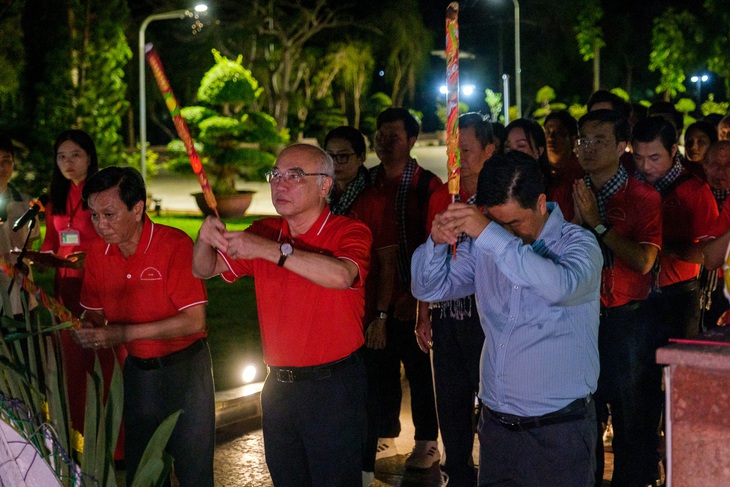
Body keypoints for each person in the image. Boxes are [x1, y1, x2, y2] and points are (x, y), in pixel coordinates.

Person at [412, 150, 602, 487]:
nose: (507, 233)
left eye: (514, 223)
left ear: (541, 203)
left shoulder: (579, 244)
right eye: (498, 224)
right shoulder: (488, 247)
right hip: (497, 429)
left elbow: (558, 288)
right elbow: (429, 286)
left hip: (559, 431)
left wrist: (489, 234)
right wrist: (437, 242)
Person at [193, 144, 371, 487]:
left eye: (295, 176)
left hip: (334, 386)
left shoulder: (348, 231)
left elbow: (341, 276)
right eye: (275, 175)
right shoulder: (265, 230)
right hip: (278, 386)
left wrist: (267, 250)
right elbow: (204, 269)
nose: (280, 184)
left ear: (324, 185)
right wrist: (204, 239)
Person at [73, 167, 213, 486]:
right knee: (144, 472)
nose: (100, 225)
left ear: (138, 209)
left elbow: (194, 320)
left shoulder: (173, 244)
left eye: (109, 214)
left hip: (186, 371)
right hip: (136, 372)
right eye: (94, 215)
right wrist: (88, 329)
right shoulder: (97, 253)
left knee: (194, 471)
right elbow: (93, 314)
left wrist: (121, 334)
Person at [572, 109, 663, 486]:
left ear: (622, 146)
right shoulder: (572, 189)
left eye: (599, 141)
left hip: (629, 321)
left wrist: (596, 223)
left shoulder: (642, 196)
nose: (588, 149)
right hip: (582, 317)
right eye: (583, 141)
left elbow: (643, 261)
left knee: (631, 418)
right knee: (584, 412)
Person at [349, 107, 441, 474]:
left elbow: (434, 246)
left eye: (395, 136)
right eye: (380, 135)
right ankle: (386, 429)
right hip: (377, 298)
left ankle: (427, 440)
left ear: (412, 140)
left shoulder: (426, 185)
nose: (385, 143)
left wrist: (418, 298)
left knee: (419, 371)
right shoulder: (367, 181)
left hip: (414, 296)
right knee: (380, 369)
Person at [415, 112, 494, 486]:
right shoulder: (443, 194)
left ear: (490, 150)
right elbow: (429, 255)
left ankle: (495, 471)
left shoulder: (500, 195)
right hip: (447, 313)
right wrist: (424, 313)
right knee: (450, 400)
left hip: (488, 314)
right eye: (453, 151)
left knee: (492, 400)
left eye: (467, 149)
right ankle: (457, 472)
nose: (458, 159)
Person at [40, 130, 124, 452]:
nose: (68, 163)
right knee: (73, 364)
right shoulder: (55, 198)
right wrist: (41, 259)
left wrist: (87, 257)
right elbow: (52, 241)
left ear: (90, 157)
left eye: (75, 155)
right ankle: (79, 443)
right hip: (66, 289)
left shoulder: (104, 193)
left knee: (105, 361)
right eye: (61, 157)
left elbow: (113, 237)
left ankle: (116, 445)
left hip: (100, 286)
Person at [632, 116, 717, 340]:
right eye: (638, 157)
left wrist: (661, 248)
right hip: (634, 296)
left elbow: (714, 252)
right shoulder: (630, 186)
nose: (645, 166)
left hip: (677, 297)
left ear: (672, 150)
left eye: (654, 158)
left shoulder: (695, 191)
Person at [0, 135, 40, 317]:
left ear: (14, 163)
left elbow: (29, 246)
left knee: (25, 343)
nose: (1, 167)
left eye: (6, 160)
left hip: (20, 292)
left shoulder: (26, 204)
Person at [543, 111, 583, 221]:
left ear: (573, 138)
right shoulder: (539, 171)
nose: (551, 138)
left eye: (559, 133)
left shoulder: (580, 174)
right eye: (547, 132)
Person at [324, 126, 369, 216]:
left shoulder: (372, 197)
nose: (335, 162)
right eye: (330, 156)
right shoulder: (320, 189)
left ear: (361, 158)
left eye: (343, 156)